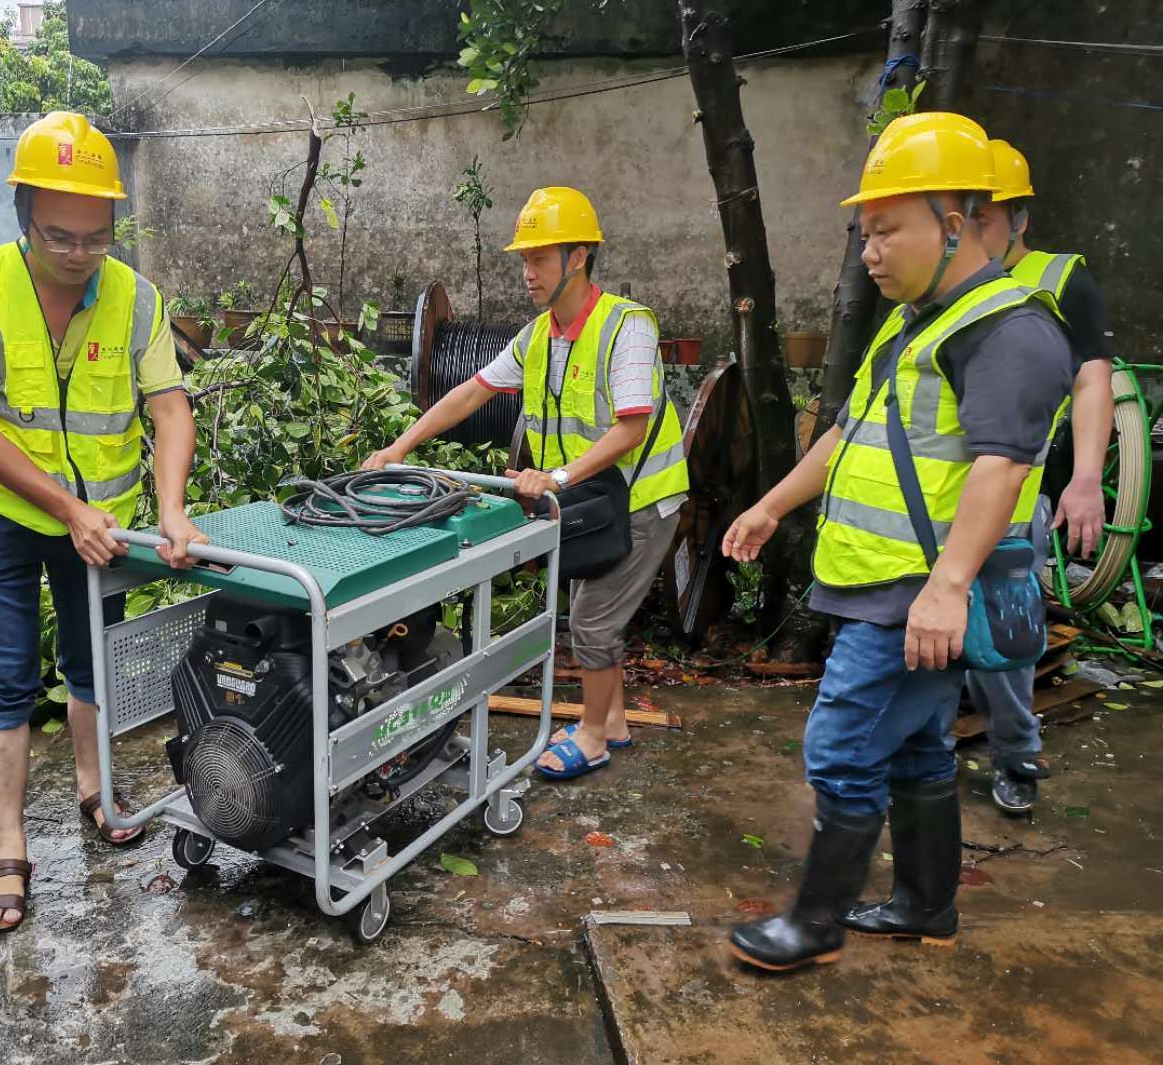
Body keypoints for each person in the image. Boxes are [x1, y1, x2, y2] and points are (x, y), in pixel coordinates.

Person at [722, 113, 1074, 971]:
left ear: (953, 225)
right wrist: (771, 505)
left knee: (842, 747)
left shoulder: (1008, 328)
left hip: (918, 593)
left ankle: (814, 925)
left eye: (887, 231)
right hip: (883, 584)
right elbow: (849, 433)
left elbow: (1002, 466)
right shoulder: (914, 322)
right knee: (916, 748)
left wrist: (947, 588)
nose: (870, 253)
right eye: (866, 234)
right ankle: (925, 906)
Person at [0, 112, 205, 933]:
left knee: (95, 661)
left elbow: (169, 406)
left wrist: (172, 509)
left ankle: (95, 788)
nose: (80, 253)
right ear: (23, 213)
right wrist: (65, 508)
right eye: (60, 235)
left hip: (105, 518)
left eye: (97, 236)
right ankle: (8, 847)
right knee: (4, 675)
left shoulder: (136, 297)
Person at [363, 187, 689, 780]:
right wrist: (398, 448)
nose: (527, 272)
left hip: (642, 499)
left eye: (539, 258)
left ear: (578, 257)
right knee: (593, 605)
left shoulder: (628, 327)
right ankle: (612, 720)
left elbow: (632, 428)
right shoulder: (538, 336)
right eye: (524, 259)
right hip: (591, 497)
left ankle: (593, 735)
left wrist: (556, 477)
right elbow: (471, 393)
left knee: (592, 619)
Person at [965, 138, 1115, 813]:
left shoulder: (1059, 281)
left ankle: (1015, 754)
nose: (970, 232)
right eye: (962, 217)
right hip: (932, 498)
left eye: (985, 218)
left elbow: (1092, 381)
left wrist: (1084, 479)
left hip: (1014, 493)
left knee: (1004, 640)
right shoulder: (936, 285)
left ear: (1019, 218)